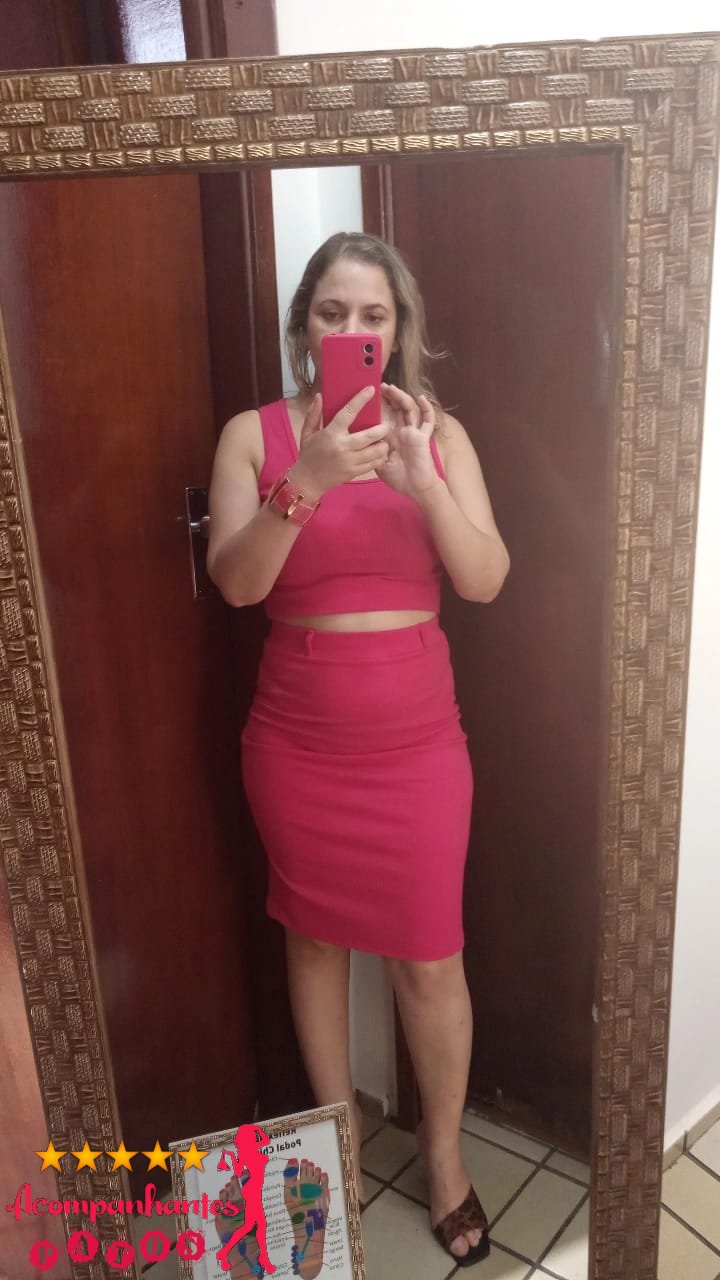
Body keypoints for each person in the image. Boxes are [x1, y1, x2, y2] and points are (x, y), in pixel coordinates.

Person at [207, 231, 510, 1268]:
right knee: (313, 942)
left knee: (432, 957)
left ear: (397, 328)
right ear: (304, 326)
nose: (351, 328)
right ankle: (330, 1150)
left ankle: (443, 1159)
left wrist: (422, 480)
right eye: (331, 312)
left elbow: (484, 579)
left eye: (371, 314)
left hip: (419, 745)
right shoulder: (252, 436)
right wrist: (308, 479)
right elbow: (238, 583)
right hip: (297, 745)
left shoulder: (440, 433)